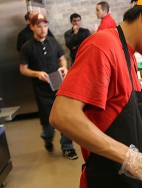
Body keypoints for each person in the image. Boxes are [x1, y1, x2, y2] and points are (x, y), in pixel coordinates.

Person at [50, 0, 142, 187]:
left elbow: (118, 116)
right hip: (105, 180)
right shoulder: (102, 46)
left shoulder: (130, 56)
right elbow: (62, 115)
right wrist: (130, 157)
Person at [19, 13, 78, 160]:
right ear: (32, 27)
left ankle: (67, 147)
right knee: (48, 124)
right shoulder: (27, 47)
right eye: (39, 26)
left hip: (58, 86)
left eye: (45, 25)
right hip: (41, 90)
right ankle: (47, 138)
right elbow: (23, 68)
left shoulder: (53, 42)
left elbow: (62, 59)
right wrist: (37, 73)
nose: (43, 29)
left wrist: (64, 68)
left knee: (64, 119)